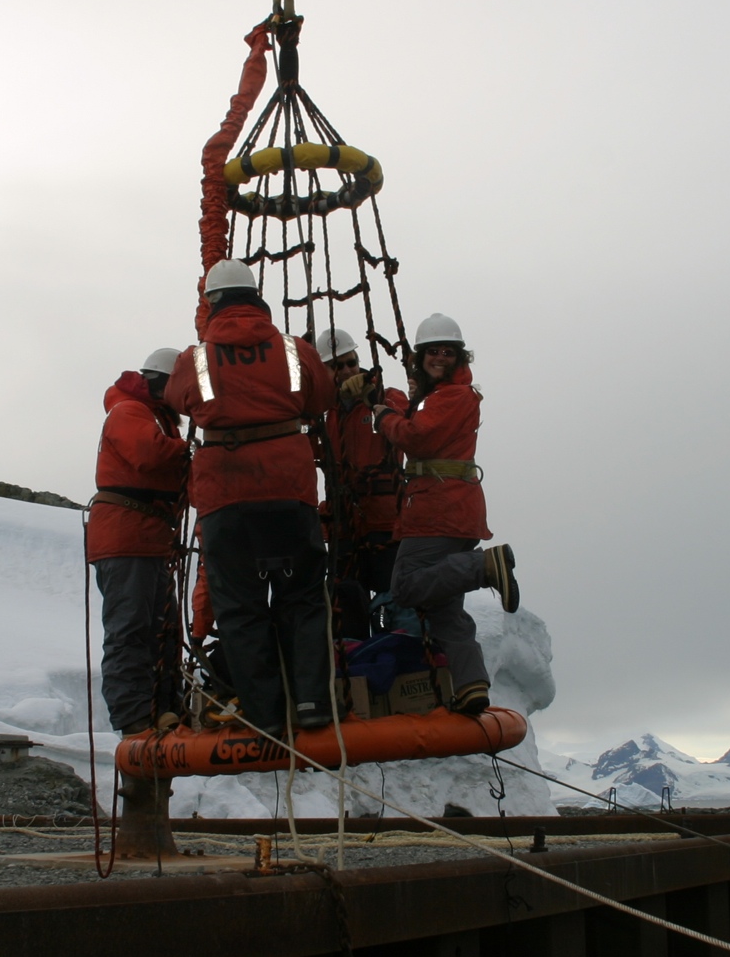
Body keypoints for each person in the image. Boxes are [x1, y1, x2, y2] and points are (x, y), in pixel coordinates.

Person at [164, 259, 335, 733]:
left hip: (226, 496)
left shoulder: (195, 359)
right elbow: (322, 398)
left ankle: (266, 716)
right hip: (289, 490)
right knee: (302, 597)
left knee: (240, 606)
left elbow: (176, 398)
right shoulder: (294, 349)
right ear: (257, 297)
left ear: (213, 303)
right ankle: (312, 704)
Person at [372, 312, 518, 716]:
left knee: (406, 586)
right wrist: (403, 399)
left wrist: (384, 416)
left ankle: (483, 567)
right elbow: (422, 421)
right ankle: (471, 685)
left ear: (459, 357)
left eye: (447, 352)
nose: (439, 358)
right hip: (450, 506)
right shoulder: (440, 396)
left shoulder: (451, 396)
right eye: (432, 352)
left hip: (439, 508)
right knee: (443, 606)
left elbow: (417, 437)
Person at [85, 347, 188, 736]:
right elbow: (149, 454)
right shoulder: (129, 411)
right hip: (127, 536)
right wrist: (193, 452)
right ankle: (134, 718)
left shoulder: (151, 417)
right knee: (131, 629)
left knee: (161, 631)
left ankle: (164, 711)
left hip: (145, 537)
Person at [313, 325, 403, 639]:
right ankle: (354, 661)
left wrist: (373, 400)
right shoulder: (323, 415)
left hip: (385, 524)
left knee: (395, 604)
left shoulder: (386, 397)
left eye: (351, 362)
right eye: (337, 366)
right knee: (347, 606)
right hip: (344, 528)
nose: (347, 370)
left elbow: (408, 423)